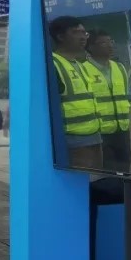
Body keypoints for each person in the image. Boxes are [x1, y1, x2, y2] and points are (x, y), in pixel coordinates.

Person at [48, 16, 102, 169]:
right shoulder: (53, 64)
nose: (83, 37)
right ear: (60, 36)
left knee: (98, 179)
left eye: (84, 33)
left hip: (94, 137)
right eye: (76, 32)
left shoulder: (80, 65)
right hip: (73, 142)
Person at [82, 29, 131, 174]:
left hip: (122, 129)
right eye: (104, 43)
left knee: (125, 170)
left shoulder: (119, 67)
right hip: (100, 131)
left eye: (111, 41)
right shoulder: (83, 69)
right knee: (106, 171)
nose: (110, 45)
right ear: (91, 47)